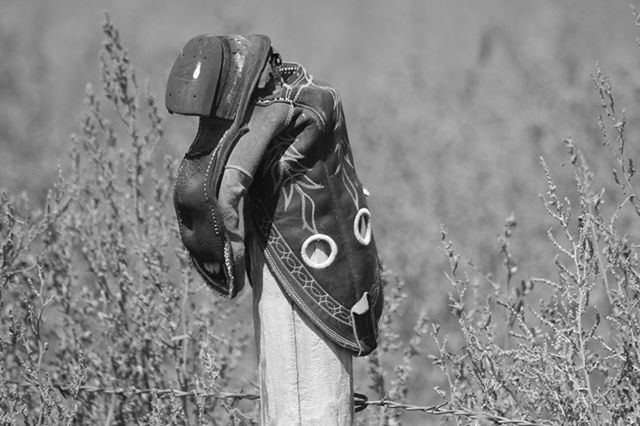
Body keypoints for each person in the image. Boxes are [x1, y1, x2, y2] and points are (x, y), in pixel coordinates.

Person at [166, 34, 383, 424]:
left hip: (307, 264)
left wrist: (228, 249)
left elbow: (218, 192)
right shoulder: (311, 100)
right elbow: (217, 192)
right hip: (304, 259)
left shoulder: (293, 107)